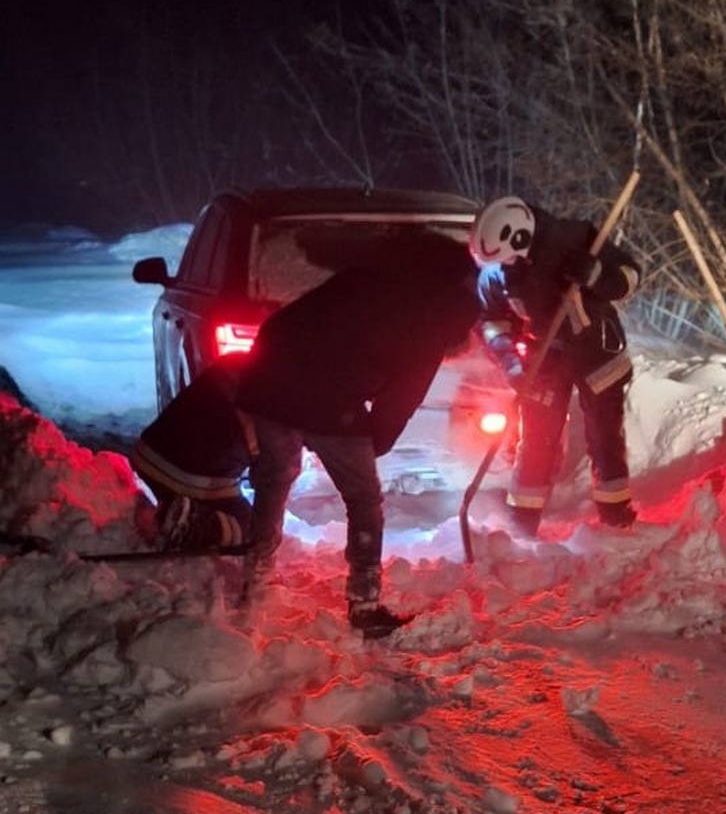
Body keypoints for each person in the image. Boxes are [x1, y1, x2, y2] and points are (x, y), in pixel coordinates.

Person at [234, 229, 480, 637]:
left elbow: (302, 325)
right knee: (364, 498)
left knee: (275, 477)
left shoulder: (371, 276)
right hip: (324, 391)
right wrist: (373, 441)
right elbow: (402, 398)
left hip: (269, 367)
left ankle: (254, 577)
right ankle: (364, 604)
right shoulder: (433, 321)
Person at [470, 194, 641, 536]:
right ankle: (521, 523)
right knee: (536, 440)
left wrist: (596, 275)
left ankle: (616, 515)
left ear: (520, 236)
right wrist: (511, 364)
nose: (506, 268)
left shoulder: (575, 238)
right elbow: (492, 322)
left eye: (508, 260)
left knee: (604, 435)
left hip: (596, 354)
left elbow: (629, 276)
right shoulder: (496, 274)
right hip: (543, 362)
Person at [130, 356, 255, 551]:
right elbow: (275, 475)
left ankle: (171, 506)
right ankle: (181, 521)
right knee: (251, 525)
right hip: (190, 470)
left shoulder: (251, 363)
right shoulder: (291, 401)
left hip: (150, 450)